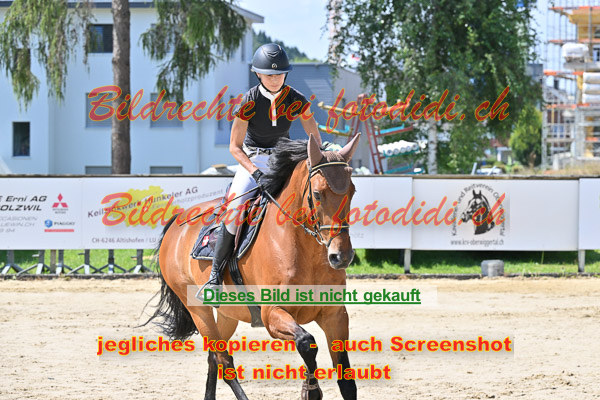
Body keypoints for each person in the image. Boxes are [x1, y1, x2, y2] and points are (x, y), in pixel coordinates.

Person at [199, 43, 323, 303]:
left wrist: (317, 158)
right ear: (257, 74)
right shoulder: (249, 101)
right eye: (269, 74)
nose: (275, 79)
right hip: (252, 160)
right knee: (235, 210)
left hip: (283, 158)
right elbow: (234, 147)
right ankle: (215, 276)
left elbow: (315, 138)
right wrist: (255, 173)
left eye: (279, 74)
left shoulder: (297, 99)